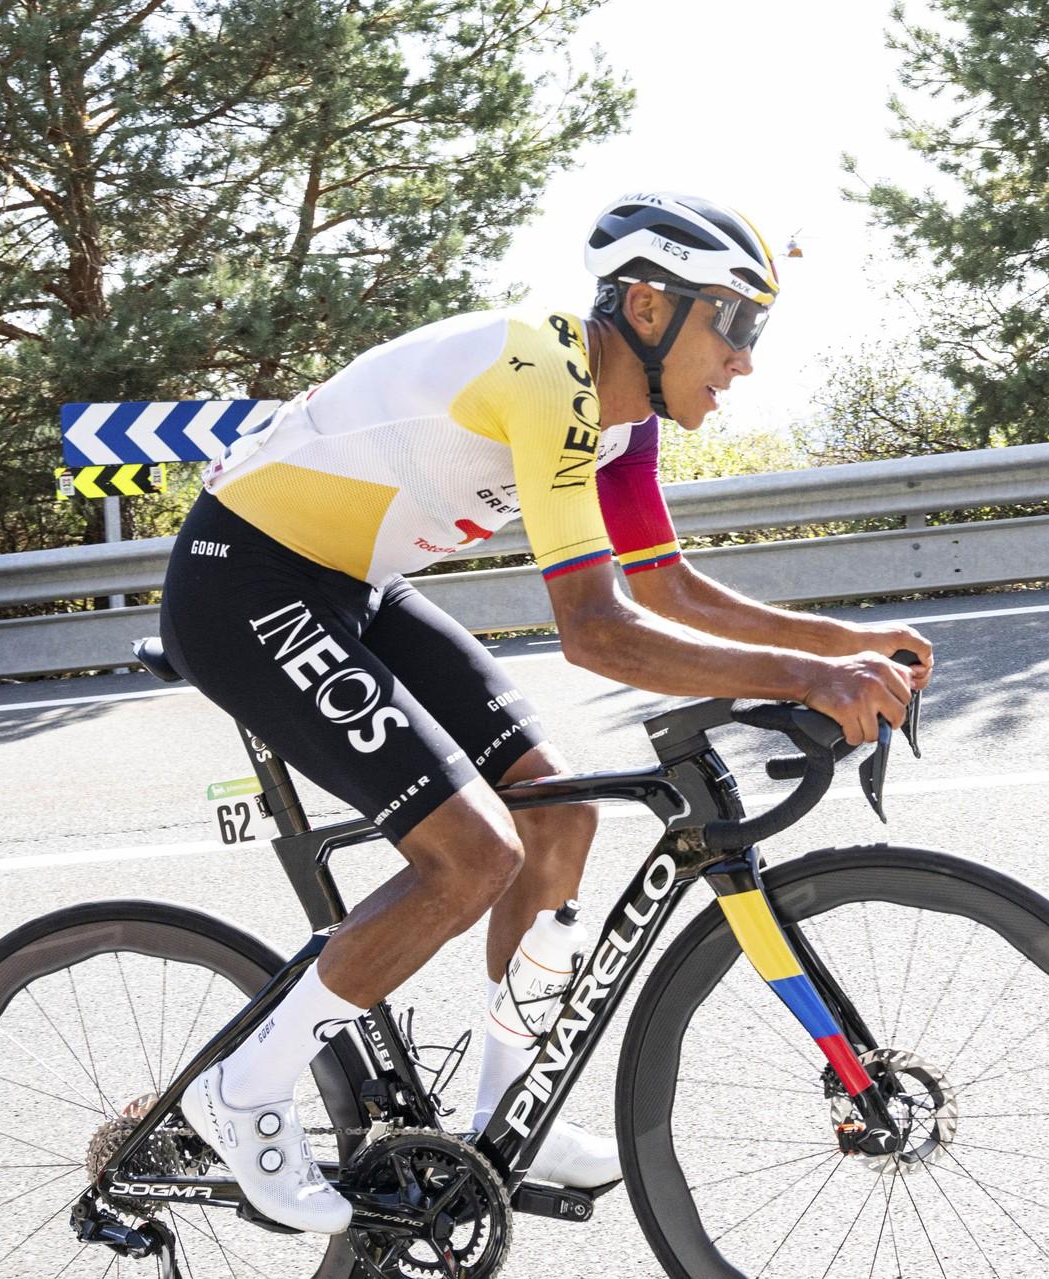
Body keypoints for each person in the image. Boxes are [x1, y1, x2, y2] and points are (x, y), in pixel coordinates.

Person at [158, 191, 933, 1234]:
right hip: (244, 583)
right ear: (651, 309)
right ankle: (243, 1088)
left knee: (559, 813)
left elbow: (667, 588)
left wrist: (835, 646)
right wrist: (809, 682)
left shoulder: (625, 423)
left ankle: (498, 1106)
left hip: (356, 586)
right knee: (471, 855)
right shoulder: (547, 373)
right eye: (735, 323)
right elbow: (596, 629)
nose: (747, 356)